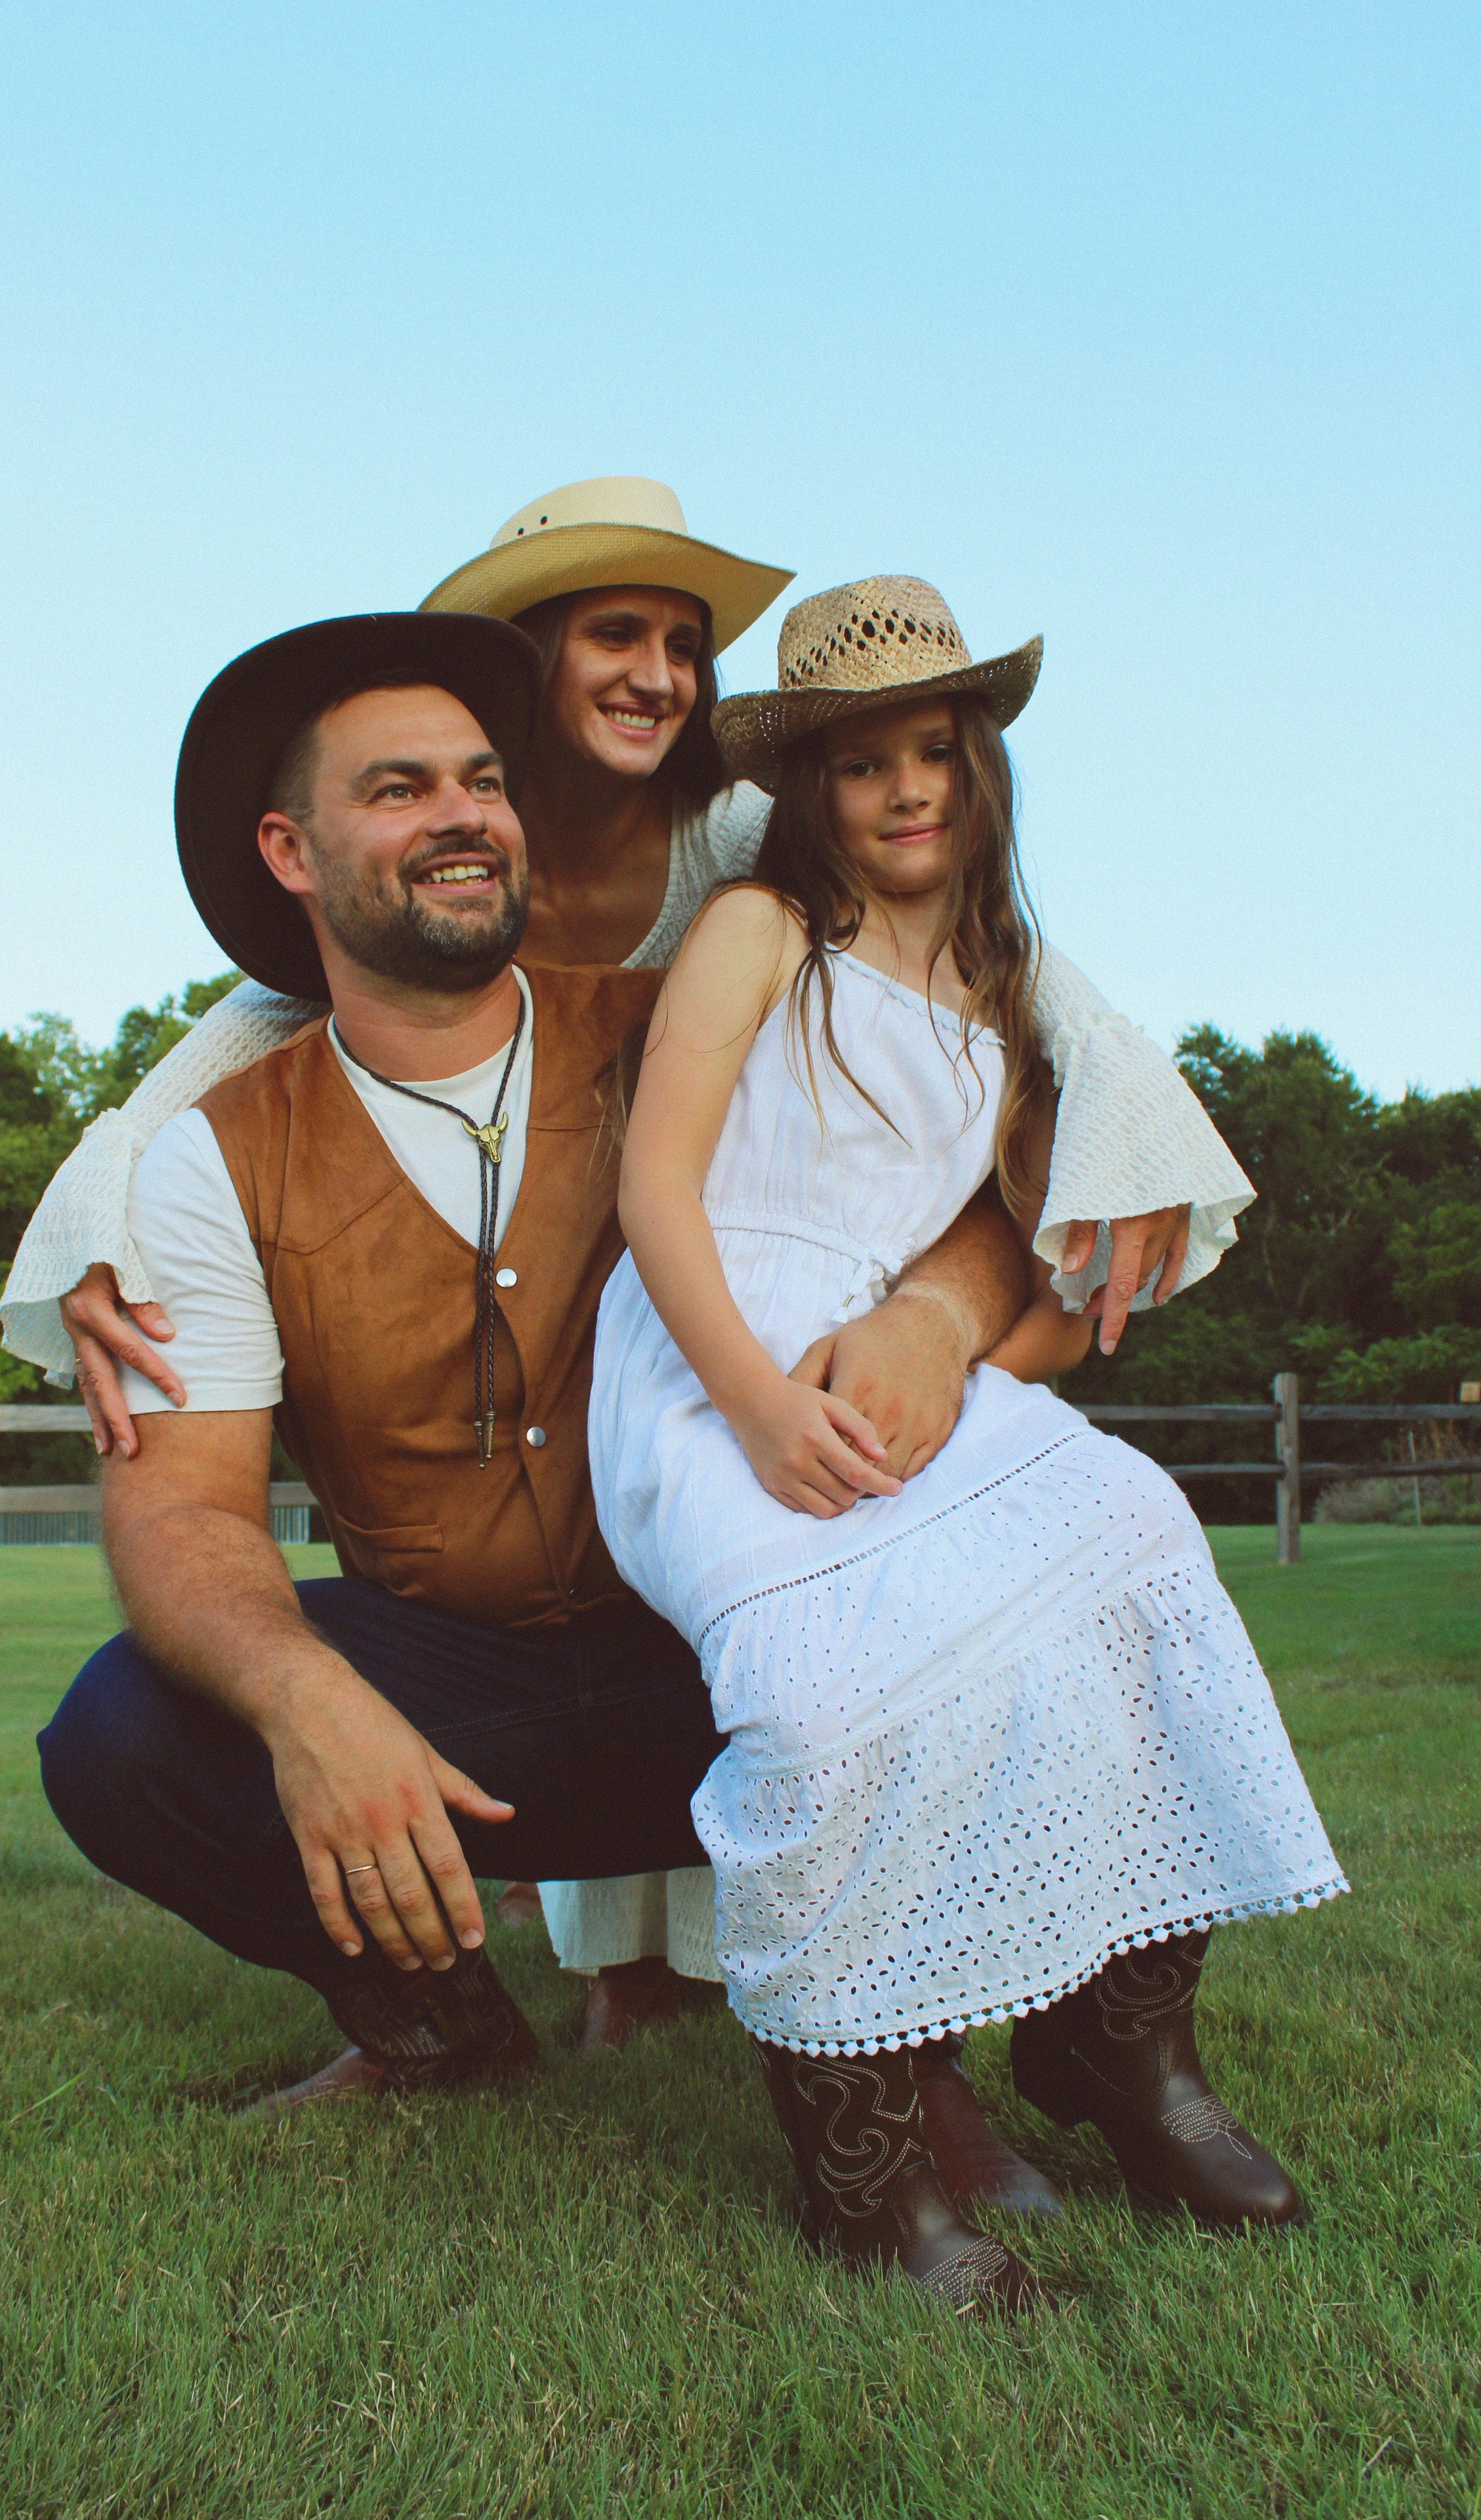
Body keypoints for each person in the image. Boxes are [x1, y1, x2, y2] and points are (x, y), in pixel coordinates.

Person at [1, 482, 1251, 2074]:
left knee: (1013, 1566)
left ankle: (955, 2061)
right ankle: (435, 2018)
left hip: (718, 1620)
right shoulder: (228, 1141)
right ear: (291, 850)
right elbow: (182, 1491)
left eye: (477, 781)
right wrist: (307, 1701)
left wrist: (936, 1311)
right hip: (473, 1680)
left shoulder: (695, 987)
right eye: (399, 789)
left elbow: (978, 1111)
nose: (457, 815)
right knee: (123, 1732)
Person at [588, 576, 1348, 2315]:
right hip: (706, 1357)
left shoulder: (1009, 1004)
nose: (906, 789)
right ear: (810, 788)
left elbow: (1039, 1295)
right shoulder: (760, 933)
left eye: (934, 751)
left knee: (1134, 1532)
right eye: (862, 764)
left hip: (884, 1350)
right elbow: (653, 1192)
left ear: (979, 765)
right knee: (817, 1688)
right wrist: (753, 1399)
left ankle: (1119, 2044)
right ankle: (864, 2174)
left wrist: (965, 1377)